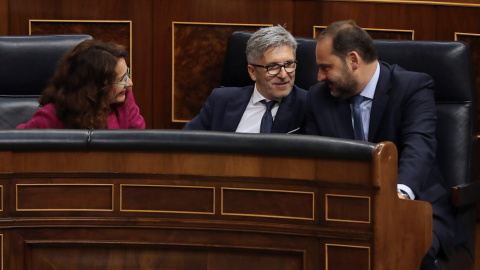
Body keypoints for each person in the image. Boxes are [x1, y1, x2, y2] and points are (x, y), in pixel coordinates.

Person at [304, 20, 454, 270]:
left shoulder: (412, 86)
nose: (319, 77)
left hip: (414, 204)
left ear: (353, 60)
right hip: (344, 208)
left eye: (325, 67)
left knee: (407, 251)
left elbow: (419, 146)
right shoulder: (318, 97)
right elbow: (314, 158)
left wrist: (397, 197)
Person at [183, 25, 306, 134]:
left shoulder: (308, 104)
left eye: (289, 64)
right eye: (272, 67)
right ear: (252, 72)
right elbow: (186, 143)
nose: (284, 75)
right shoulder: (220, 101)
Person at [17, 39, 145, 129]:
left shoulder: (125, 100)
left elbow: (140, 143)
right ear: (96, 86)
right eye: (122, 78)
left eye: (127, 74)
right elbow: (18, 144)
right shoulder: (53, 114)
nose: (129, 83)